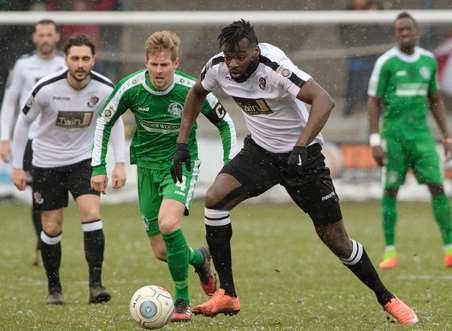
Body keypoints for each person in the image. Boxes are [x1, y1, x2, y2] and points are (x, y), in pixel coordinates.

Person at [172, 19, 418, 325]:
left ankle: (387, 298)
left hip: (303, 158)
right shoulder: (217, 66)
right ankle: (228, 294)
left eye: (241, 57)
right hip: (261, 152)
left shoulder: (274, 67)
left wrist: (301, 146)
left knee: (337, 239)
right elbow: (196, 93)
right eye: (229, 56)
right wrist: (181, 143)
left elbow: (323, 100)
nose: (234, 64)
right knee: (214, 199)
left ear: (255, 51)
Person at [90, 31, 237, 322]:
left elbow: (226, 123)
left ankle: (181, 301)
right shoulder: (130, 87)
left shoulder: (190, 89)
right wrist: (98, 167)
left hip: (179, 164)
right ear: (146, 63)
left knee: (169, 224)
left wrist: (229, 164)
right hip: (145, 167)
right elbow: (104, 121)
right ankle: (199, 259)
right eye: (154, 65)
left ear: (175, 63)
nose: (159, 71)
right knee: (161, 251)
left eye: (165, 65)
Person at [11, 34, 127, 305]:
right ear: (66, 60)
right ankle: (54, 288)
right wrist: (17, 166)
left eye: (85, 58)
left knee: (91, 213)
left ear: (93, 60)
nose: (80, 64)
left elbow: (116, 123)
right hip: (46, 163)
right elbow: (23, 123)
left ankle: (96, 286)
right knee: (52, 226)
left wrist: (119, 162)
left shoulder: (104, 88)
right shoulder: (46, 88)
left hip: (83, 160)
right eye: (75, 58)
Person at [368, 12, 452, 270]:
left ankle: (449, 248)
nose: (405, 33)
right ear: (395, 34)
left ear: (416, 31)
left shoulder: (428, 61)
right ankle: (390, 251)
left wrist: (446, 135)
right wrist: (375, 139)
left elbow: (435, 99)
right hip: (393, 137)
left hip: (422, 137)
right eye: (400, 30)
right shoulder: (386, 63)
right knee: (391, 190)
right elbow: (373, 100)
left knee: (437, 187)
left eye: (408, 28)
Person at [0, 19, 66, 267]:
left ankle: (49, 236)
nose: (46, 39)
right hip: (30, 140)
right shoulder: (23, 65)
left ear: (57, 36)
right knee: (39, 195)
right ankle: (43, 243)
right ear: (35, 38)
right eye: (41, 35)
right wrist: (4, 138)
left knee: (58, 198)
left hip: (60, 139)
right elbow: (9, 102)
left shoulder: (65, 63)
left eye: (50, 34)